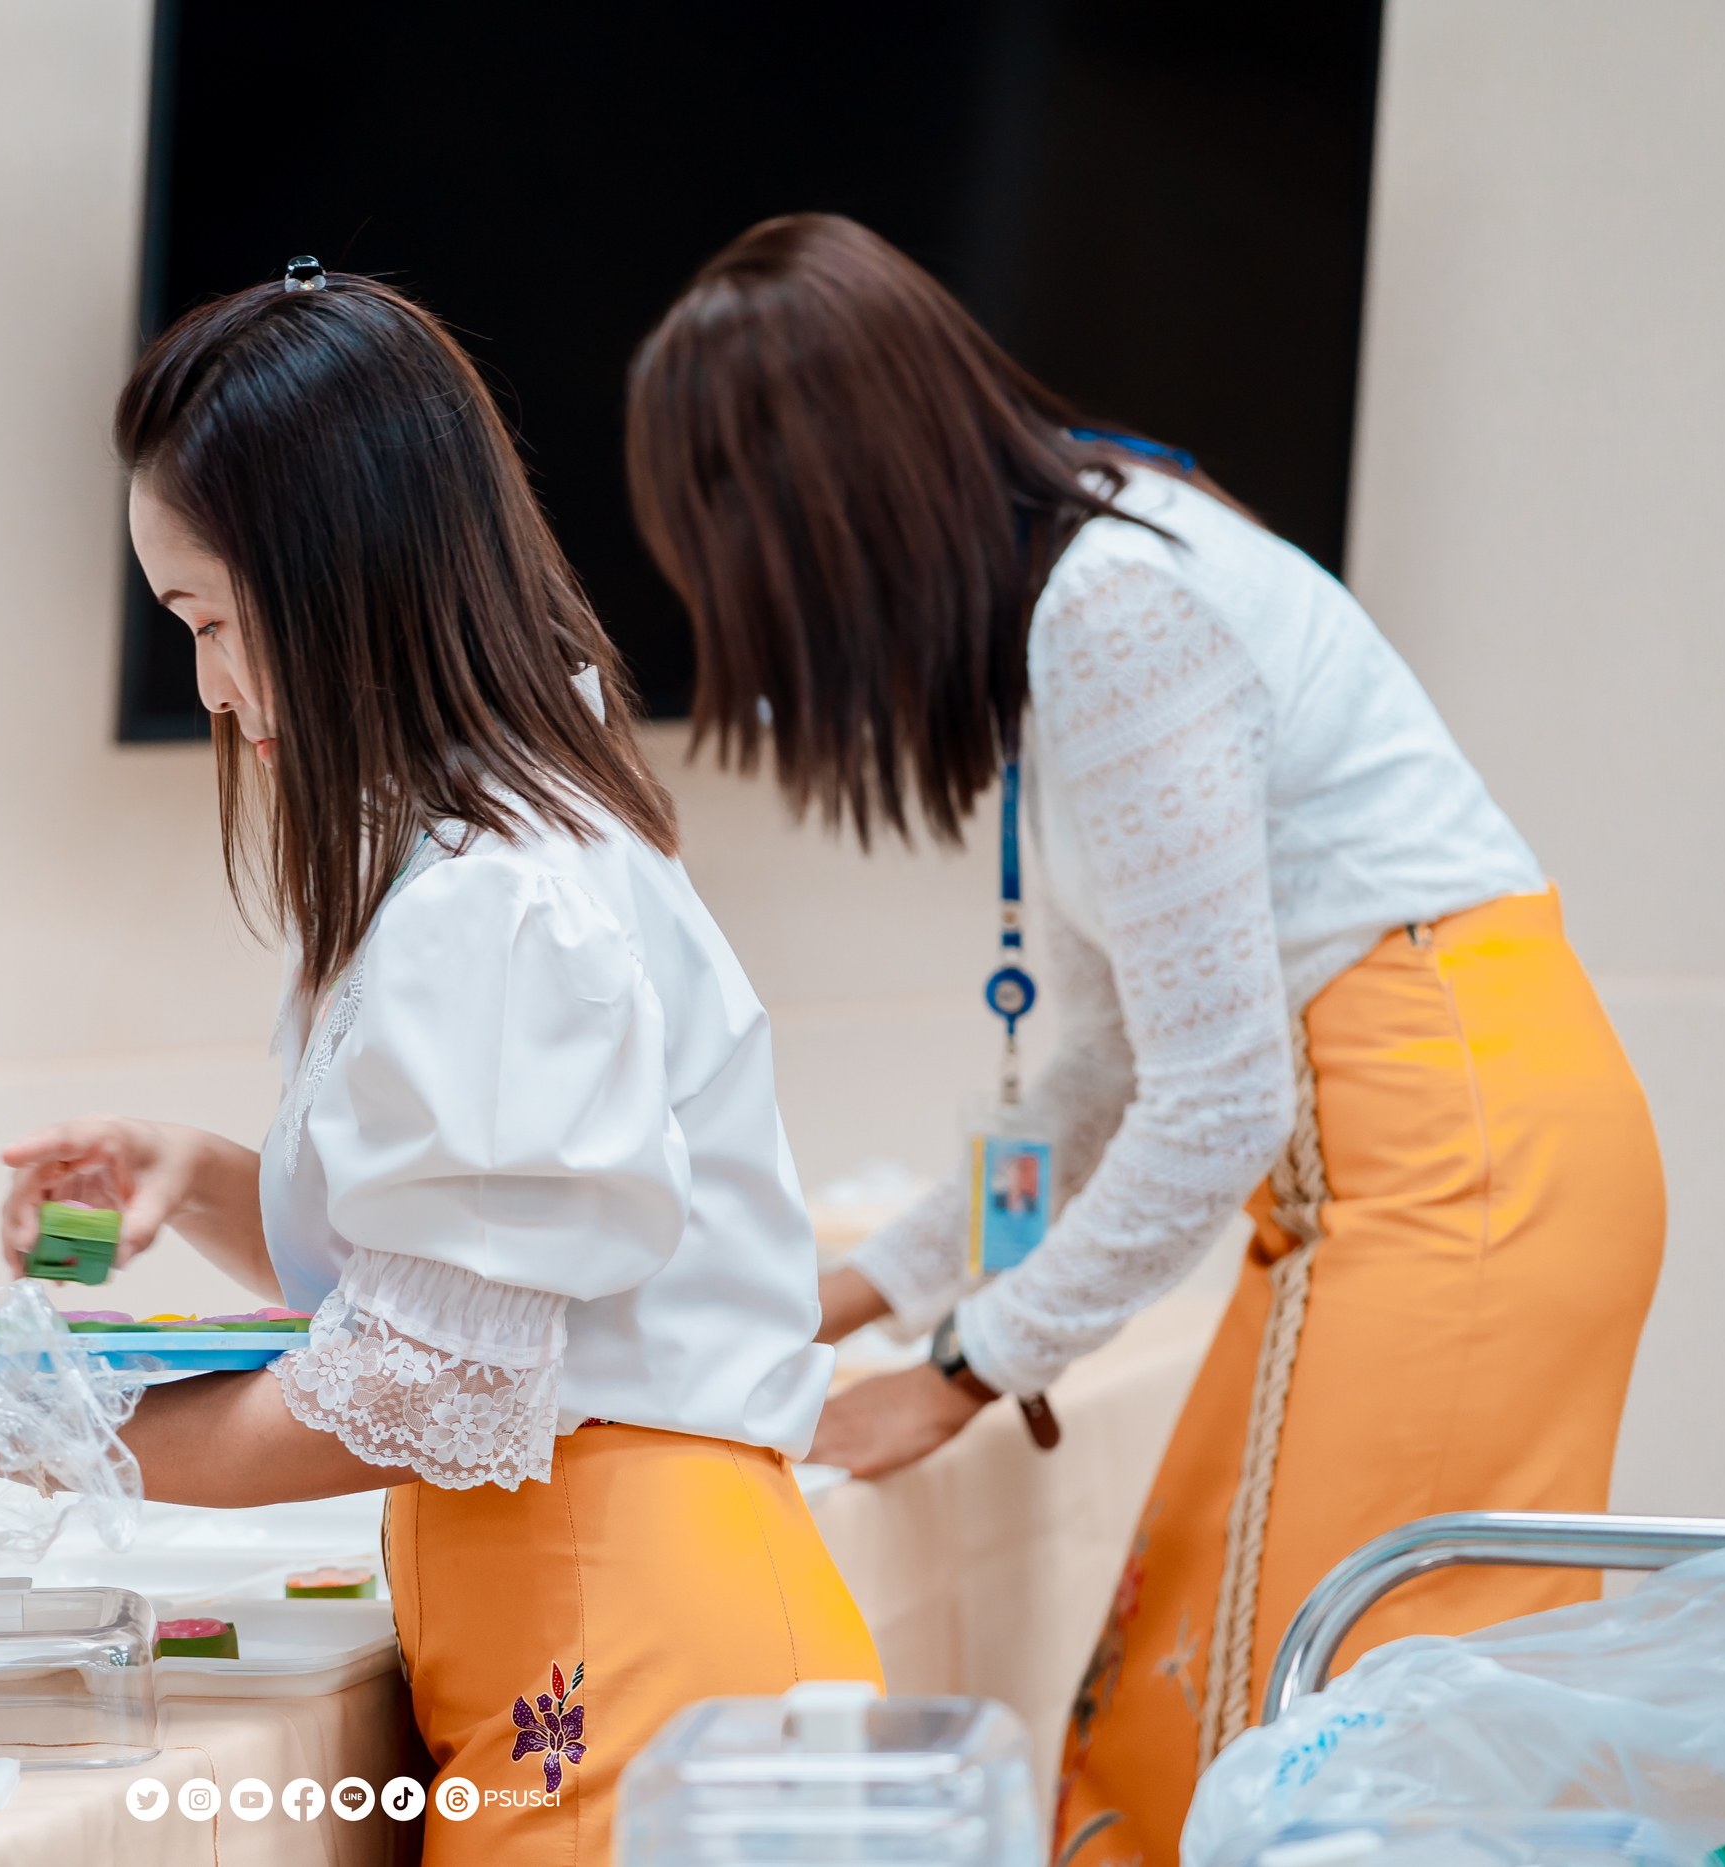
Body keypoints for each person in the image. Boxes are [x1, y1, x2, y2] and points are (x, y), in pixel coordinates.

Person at [0, 263, 879, 1860]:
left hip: (629, 1648)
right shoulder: (489, 855)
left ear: (339, 572)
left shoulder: (493, 901)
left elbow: (422, 1388)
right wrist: (201, 1173)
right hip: (600, 1623)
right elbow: (440, 1287)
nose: (211, 688)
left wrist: (0, 1430)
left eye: (211, 621)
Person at [622, 214, 1663, 1866]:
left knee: (1284, 1754)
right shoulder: (1087, 582)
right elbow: (1111, 1073)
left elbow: (1217, 1100)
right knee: (1196, 1718)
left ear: (821, 512)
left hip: (1454, 1158)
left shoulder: (1113, 616)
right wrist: (862, 1289)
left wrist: (962, 1372)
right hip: (1404, 1154)